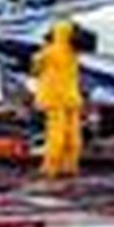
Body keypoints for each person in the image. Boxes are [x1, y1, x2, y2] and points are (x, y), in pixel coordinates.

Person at [33, 20, 83, 178]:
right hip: (72, 97)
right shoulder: (73, 52)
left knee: (55, 134)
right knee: (73, 134)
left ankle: (51, 167)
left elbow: (35, 69)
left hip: (54, 98)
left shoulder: (48, 53)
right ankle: (71, 165)